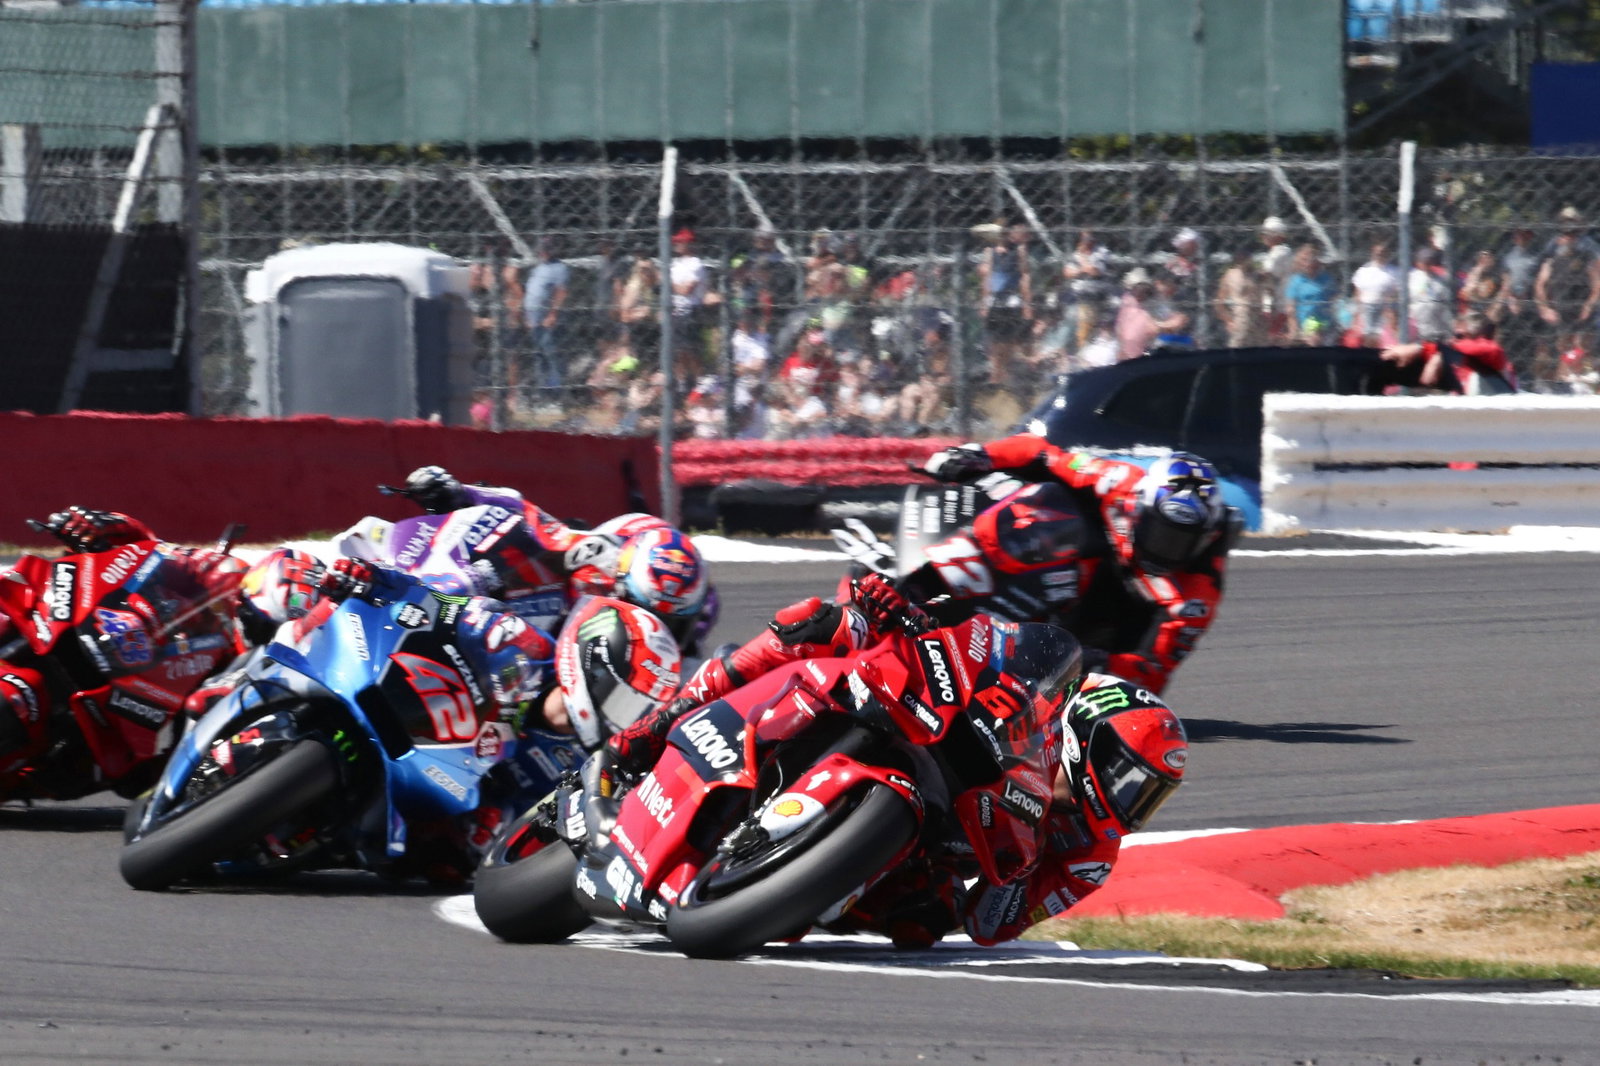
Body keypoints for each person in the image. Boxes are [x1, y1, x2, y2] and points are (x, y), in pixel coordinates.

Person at [600, 573, 1188, 949]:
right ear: (1087, 733)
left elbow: (990, 925)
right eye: (1129, 776)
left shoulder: (1089, 860)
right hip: (920, 728)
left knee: (922, 922)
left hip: (933, 837)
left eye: (1147, 795)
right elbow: (980, 637)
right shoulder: (1036, 708)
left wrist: (1015, 869)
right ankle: (658, 725)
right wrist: (910, 611)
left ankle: (795, 884)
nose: (1131, 799)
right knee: (822, 622)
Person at [915, 440, 1234, 695]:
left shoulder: (1195, 597)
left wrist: (1091, 662)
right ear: (1140, 508)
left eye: (1182, 541)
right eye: (1162, 532)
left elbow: (1152, 674)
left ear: (1206, 538)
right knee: (1052, 510)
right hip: (1081, 573)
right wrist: (982, 455)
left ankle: (1014, 660)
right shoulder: (1118, 481)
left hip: (1111, 637)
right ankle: (949, 577)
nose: (1168, 550)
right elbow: (1042, 452)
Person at [364, 466, 716, 655]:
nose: (655, 629)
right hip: (486, 626)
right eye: (644, 612)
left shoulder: (689, 618)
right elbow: (523, 511)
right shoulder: (586, 560)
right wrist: (461, 493)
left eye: (671, 624)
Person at [1380, 310, 1514, 394]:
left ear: (1478, 336)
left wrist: (1420, 348)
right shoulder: (1459, 360)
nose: (1453, 340)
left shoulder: (1492, 352)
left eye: (1459, 336)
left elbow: (1489, 349)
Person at [977, 222, 1035, 387]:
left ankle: (1008, 374)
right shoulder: (990, 252)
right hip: (994, 301)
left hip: (1011, 301)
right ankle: (996, 377)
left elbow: (1024, 276)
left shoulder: (1018, 251)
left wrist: (1027, 303)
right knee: (994, 342)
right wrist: (984, 302)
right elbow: (986, 279)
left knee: (1009, 340)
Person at [521, 238, 571, 402]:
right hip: (534, 318)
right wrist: (528, 317)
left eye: (545, 250)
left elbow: (561, 292)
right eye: (541, 250)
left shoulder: (560, 268)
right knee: (539, 355)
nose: (541, 253)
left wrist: (552, 314)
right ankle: (542, 393)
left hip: (547, 318)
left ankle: (555, 394)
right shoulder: (539, 267)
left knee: (551, 355)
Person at [1283, 244, 1337, 345]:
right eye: (1304, 260)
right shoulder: (1296, 281)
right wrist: (1292, 330)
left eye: (1311, 260)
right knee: (1313, 339)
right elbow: (1290, 308)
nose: (1307, 264)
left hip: (1326, 320)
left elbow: (1334, 298)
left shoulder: (1326, 278)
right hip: (1307, 321)